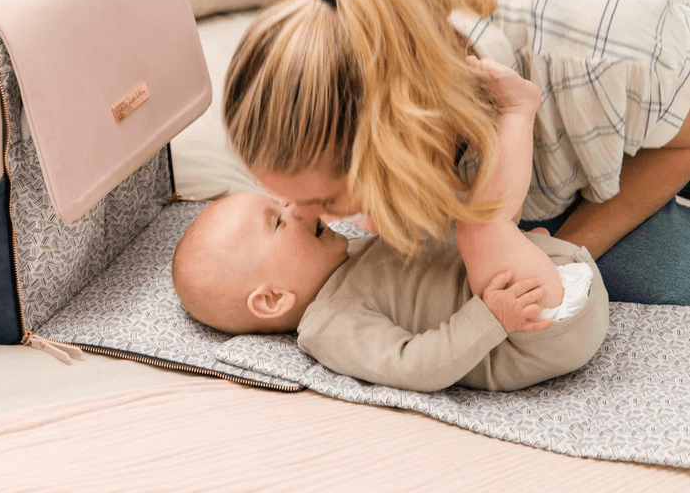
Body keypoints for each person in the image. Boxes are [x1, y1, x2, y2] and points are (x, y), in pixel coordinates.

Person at [223, 0, 690, 304]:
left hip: (661, 135)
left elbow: (681, 146)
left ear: (392, 141)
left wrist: (562, 257)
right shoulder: (331, 14)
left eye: (325, 202)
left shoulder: (603, 41)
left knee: (655, 278)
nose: (315, 218)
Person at [173, 60, 609, 391]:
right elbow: (414, 365)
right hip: (532, 328)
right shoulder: (329, 326)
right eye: (277, 220)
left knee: (473, 224)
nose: (295, 207)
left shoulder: (354, 253)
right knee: (479, 229)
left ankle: (505, 228)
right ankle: (516, 110)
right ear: (271, 298)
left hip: (547, 275)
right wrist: (489, 318)